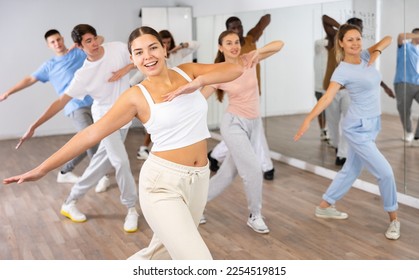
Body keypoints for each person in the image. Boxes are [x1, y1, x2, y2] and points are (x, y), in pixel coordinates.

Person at [4, 26, 243, 259]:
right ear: (132, 58)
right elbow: (90, 134)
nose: (147, 56)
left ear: (164, 49)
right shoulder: (135, 96)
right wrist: (43, 168)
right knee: (198, 260)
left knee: (160, 253)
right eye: (139, 53)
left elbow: (235, 70)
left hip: (199, 178)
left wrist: (199, 82)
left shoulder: (187, 71)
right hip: (162, 184)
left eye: (153, 48)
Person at [10, 24, 140, 232]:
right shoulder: (83, 74)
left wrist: (127, 68)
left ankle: (70, 202)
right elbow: (60, 102)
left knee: (99, 164)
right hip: (105, 119)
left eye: (95, 38)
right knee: (121, 161)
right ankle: (131, 208)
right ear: (79, 46)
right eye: (88, 41)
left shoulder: (116, 48)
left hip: (124, 116)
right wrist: (34, 126)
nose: (95, 43)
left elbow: (138, 58)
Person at [294, 24, 400, 240]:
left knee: (351, 170)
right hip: (357, 128)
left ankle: (324, 205)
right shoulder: (342, 70)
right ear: (341, 43)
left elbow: (388, 37)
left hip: (373, 124)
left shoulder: (365, 55)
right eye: (350, 40)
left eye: (358, 38)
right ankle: (394, 220)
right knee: (385, 173)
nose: (355, 43)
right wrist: (308, 118)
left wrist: (376, 51)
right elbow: (327, 97)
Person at [200, 31, 284, 234]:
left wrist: (259, 52)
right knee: (254, 170)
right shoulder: (220, 71)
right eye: (228, 43)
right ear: (221, 47)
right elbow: (200, 98)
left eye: (236, 42)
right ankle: (255, 215)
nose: (234, 46)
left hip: (254, 124)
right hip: (234, 124)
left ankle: (193, 205)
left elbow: (279, 43)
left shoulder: (248, 59)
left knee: (227, 174)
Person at [0, 29, 108, 187]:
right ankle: (99, 176)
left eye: (58, 39)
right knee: (90, 138)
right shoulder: (49, 66)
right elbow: (29, 79)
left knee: (88, 140)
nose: (57, 43)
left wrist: (80, 44)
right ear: (48, 45)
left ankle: (65, 171)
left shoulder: (78, 52)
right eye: (52, 42)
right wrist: (8, 92)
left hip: (94, 101)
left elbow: (100, 39)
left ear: (63, 39)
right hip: (73, 106)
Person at [208, 14, 275, 180]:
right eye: (233, 29)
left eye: (239, 27)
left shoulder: (250, 40)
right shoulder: (224, 61)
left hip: (253, 94)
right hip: (239, 106)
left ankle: (215, 155)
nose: (237, 31)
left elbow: (265, 20)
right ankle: (267, 167)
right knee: (252, 135)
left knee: (246, 137)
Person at [322, 15, 395, 166]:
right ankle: (337, 147)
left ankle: (342, 154)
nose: (358, 31)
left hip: (350, 92)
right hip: (330, 90)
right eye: (355, 27)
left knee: (346, 122)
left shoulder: (361, 52)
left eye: (360, 29)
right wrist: (344, 28)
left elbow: (367, 77)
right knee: (332, 123)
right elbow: (325, 19)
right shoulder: (335, 39)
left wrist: (385, 87)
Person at [129, 29, 201, 160]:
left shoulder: (178, 54)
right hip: (162, 98)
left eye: (168, 43)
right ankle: (145, 148)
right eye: (163, 42)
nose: (166, 45)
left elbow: (196, 44)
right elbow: (133, 81)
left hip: (180, 95)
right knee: (161, 126)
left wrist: (180, 46)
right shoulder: (151, 63)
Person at [393, 28, 419, 146]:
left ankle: (417, 136)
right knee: (404, 110)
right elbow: (400, 36)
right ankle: (409, 132)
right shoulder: (404, 47)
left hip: (417, 83)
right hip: (403, 82)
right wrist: (414, 35)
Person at [313, 37, 330, 142]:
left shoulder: (335, 51)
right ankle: (323, 130)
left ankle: (330, 132)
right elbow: (319, 42)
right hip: (319, 87)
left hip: (331, 87)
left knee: (331, 112)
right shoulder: (319, 47)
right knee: (321, 111)